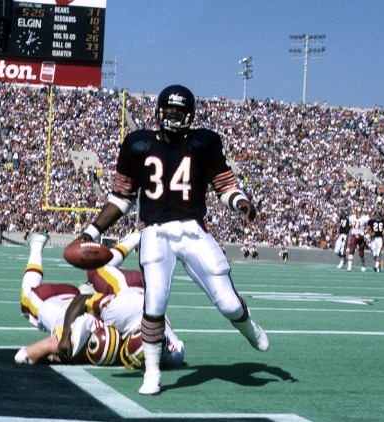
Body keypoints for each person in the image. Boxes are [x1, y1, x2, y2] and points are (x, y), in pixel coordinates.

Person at [73, 85, 268, 395]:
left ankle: (248, 327)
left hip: (192, 230)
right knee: (154, 304)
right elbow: (121, 198)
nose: (173, 117)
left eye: (180, 112)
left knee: (229, 304)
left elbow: (224, 185)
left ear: (189, 115)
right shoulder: (138, 145)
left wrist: (240, 201)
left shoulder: (205, 143)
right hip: (155, 231)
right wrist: (93, 231)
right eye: (169, 111)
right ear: (158, 112)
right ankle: (152, 372)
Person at [18, 231, 183, 368]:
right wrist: (64, 343)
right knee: (96, 267)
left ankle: (135, 238)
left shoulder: (173, 354)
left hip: (147, 290)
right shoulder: (110, 318)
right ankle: (37, 246)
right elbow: (22, 356)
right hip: (119, 290)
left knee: (95, 284)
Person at [346, 207, 369, 272]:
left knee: (361, 252)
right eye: (357, 212)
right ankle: (349, 266)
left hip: (361, 236)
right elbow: (350, 226)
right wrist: (346, 233)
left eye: (359, 213)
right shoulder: (351, 217)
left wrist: (366, 233)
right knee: (351, 250)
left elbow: (369, 225)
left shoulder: (365, 218)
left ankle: (363, 264)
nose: (358, 214)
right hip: (354, 235)